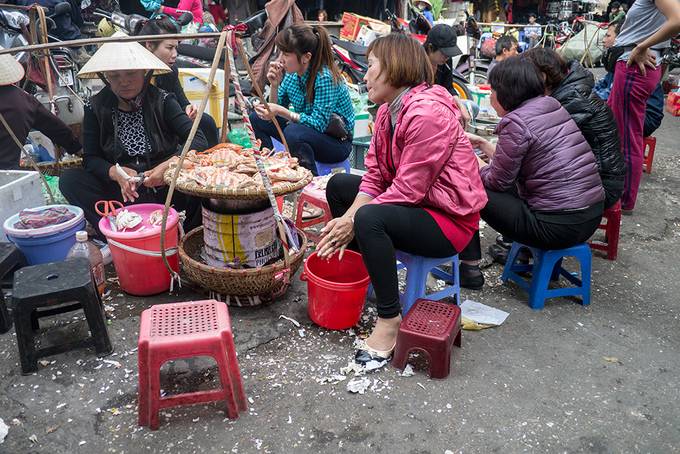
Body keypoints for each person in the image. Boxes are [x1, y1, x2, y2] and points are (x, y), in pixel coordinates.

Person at [317, 34, 487, 367]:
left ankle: (389, 319)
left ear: (394, 68)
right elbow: (375, 177)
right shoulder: (386, 113)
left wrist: (354, 220)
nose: (364, 76)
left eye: (370, 67)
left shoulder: (427, 114)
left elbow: (409, 189)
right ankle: (364, 278)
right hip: (418, 205)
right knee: (340, 186)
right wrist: (347, 215)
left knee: (369, 219)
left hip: (448, 220)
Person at [461, 56, 605, 278]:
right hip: (590, 217)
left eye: (493, 90)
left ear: (508, 92)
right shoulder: (550, 105)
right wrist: (482, 144)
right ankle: (514, 257)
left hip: (557, 226)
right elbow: (513, 165)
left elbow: (497, 181)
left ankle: (469, 269)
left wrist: (471, 159)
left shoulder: (515, 122)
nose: (490, 97)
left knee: (470, 186)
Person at [59, 37, 207, 238]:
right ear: (106, 78)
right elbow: (91, 158)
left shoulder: (164, 100)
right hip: (122, 191)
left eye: (131, 73)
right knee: (70, 180)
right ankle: (116, 233)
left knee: (200, 177)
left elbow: (197, 140)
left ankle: (182, 233)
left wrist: (169, 166)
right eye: (115, 76)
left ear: (145, 73)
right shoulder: (94, 107)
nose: (124, 81)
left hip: (165, 185)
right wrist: (114, 172)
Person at [524, 48, 625, 209]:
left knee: (512, 180)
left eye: (525, 76)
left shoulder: (570, 100)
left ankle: (525, 231)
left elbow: (541, 147)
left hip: (601, 187)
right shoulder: (568, 91)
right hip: (597, 178)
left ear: (542, 76)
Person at [249, 24, 355, 175]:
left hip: (336, 142)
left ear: (306, 57)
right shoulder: (292, 76)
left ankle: (307, 182)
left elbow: (319, 124)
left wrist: (283, 112)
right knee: (256, 118)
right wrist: (274, 85)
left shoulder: (324, 77)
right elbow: (275, 111)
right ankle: (269, 169)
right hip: (307, 132)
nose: (281, 59)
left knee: (294, 132)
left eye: (286, 54)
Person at [607, 0, 680, 212]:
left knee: (627, 138)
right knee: (622, 133)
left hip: (635, 66)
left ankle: (624, 201)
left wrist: (642, 45)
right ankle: (619, 197)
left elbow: (677, 20)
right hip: (635, 64)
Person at [136, 17, 219, 148]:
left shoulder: (170, 71)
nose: (175, 54)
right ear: (149, 45)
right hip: (145, 125)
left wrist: (189, 109)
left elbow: (183, 103)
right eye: (169, 48)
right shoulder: (134, 73)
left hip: (169, 120)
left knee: (205, 122)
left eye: (176, 47)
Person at [0, 46, 81, 170]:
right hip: (10, 175)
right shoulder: (24, 100)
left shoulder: (23, 100)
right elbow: (56, 128)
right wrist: (77, 148)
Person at [593, 22, 665, 138]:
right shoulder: (619, 61)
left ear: (622, 38)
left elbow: (613, 95)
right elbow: (602, 87)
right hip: (626, 111)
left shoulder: (634, 64)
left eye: (608, 36)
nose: (603, 40)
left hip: (644, 119)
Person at [423, 24, 472, 128]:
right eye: (444, 54)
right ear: (430, 48)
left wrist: (461, 107)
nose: (447, 58)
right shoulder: (416, 61)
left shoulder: (446, 60)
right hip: (423, 107)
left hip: (440, 103)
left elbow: (449, 87)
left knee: (472, 108)